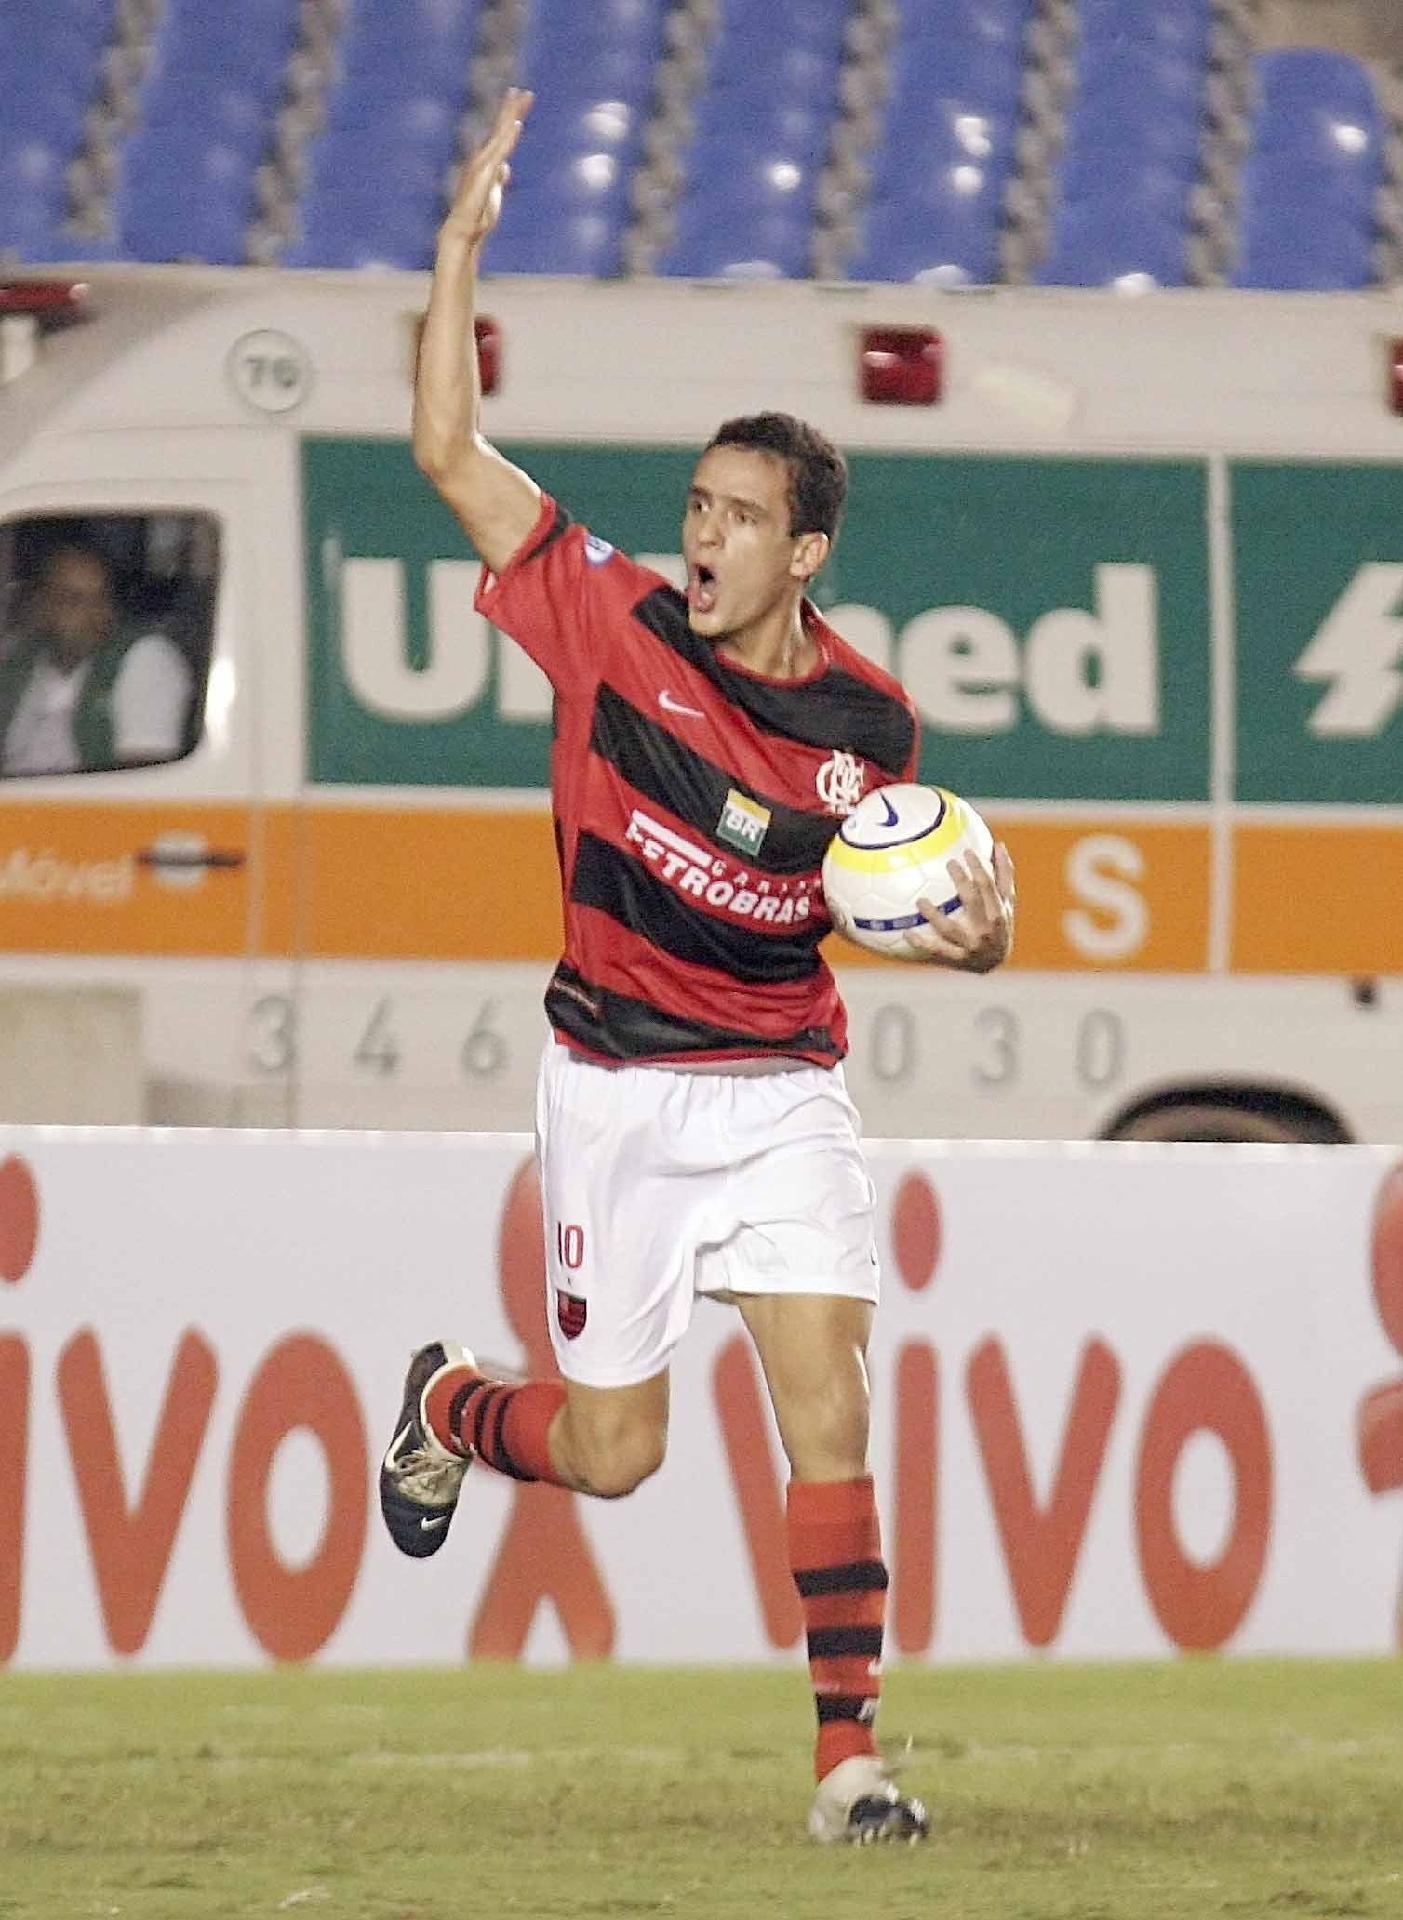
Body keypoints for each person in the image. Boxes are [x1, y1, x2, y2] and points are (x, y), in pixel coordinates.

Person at [379, 90, 1016, 1846]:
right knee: (612, 1456)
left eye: (739, 516)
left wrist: (978, 942)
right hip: (615, 1087)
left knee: (829, 1404)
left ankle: (846, 1766)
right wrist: (450, 259)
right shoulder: (604, 615)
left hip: (781, 1087)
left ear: (806, 550)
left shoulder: (869, 721)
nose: (705, 535)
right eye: (695, 505)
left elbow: (923, 904)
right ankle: (447, 1405)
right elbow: (448, 455)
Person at [0, 540, 193, 777]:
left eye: (101, 599)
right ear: (43, 605)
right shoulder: (18, 661)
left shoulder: (145, 657)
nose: (95, 615)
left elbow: (142, 782)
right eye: (73, 600)